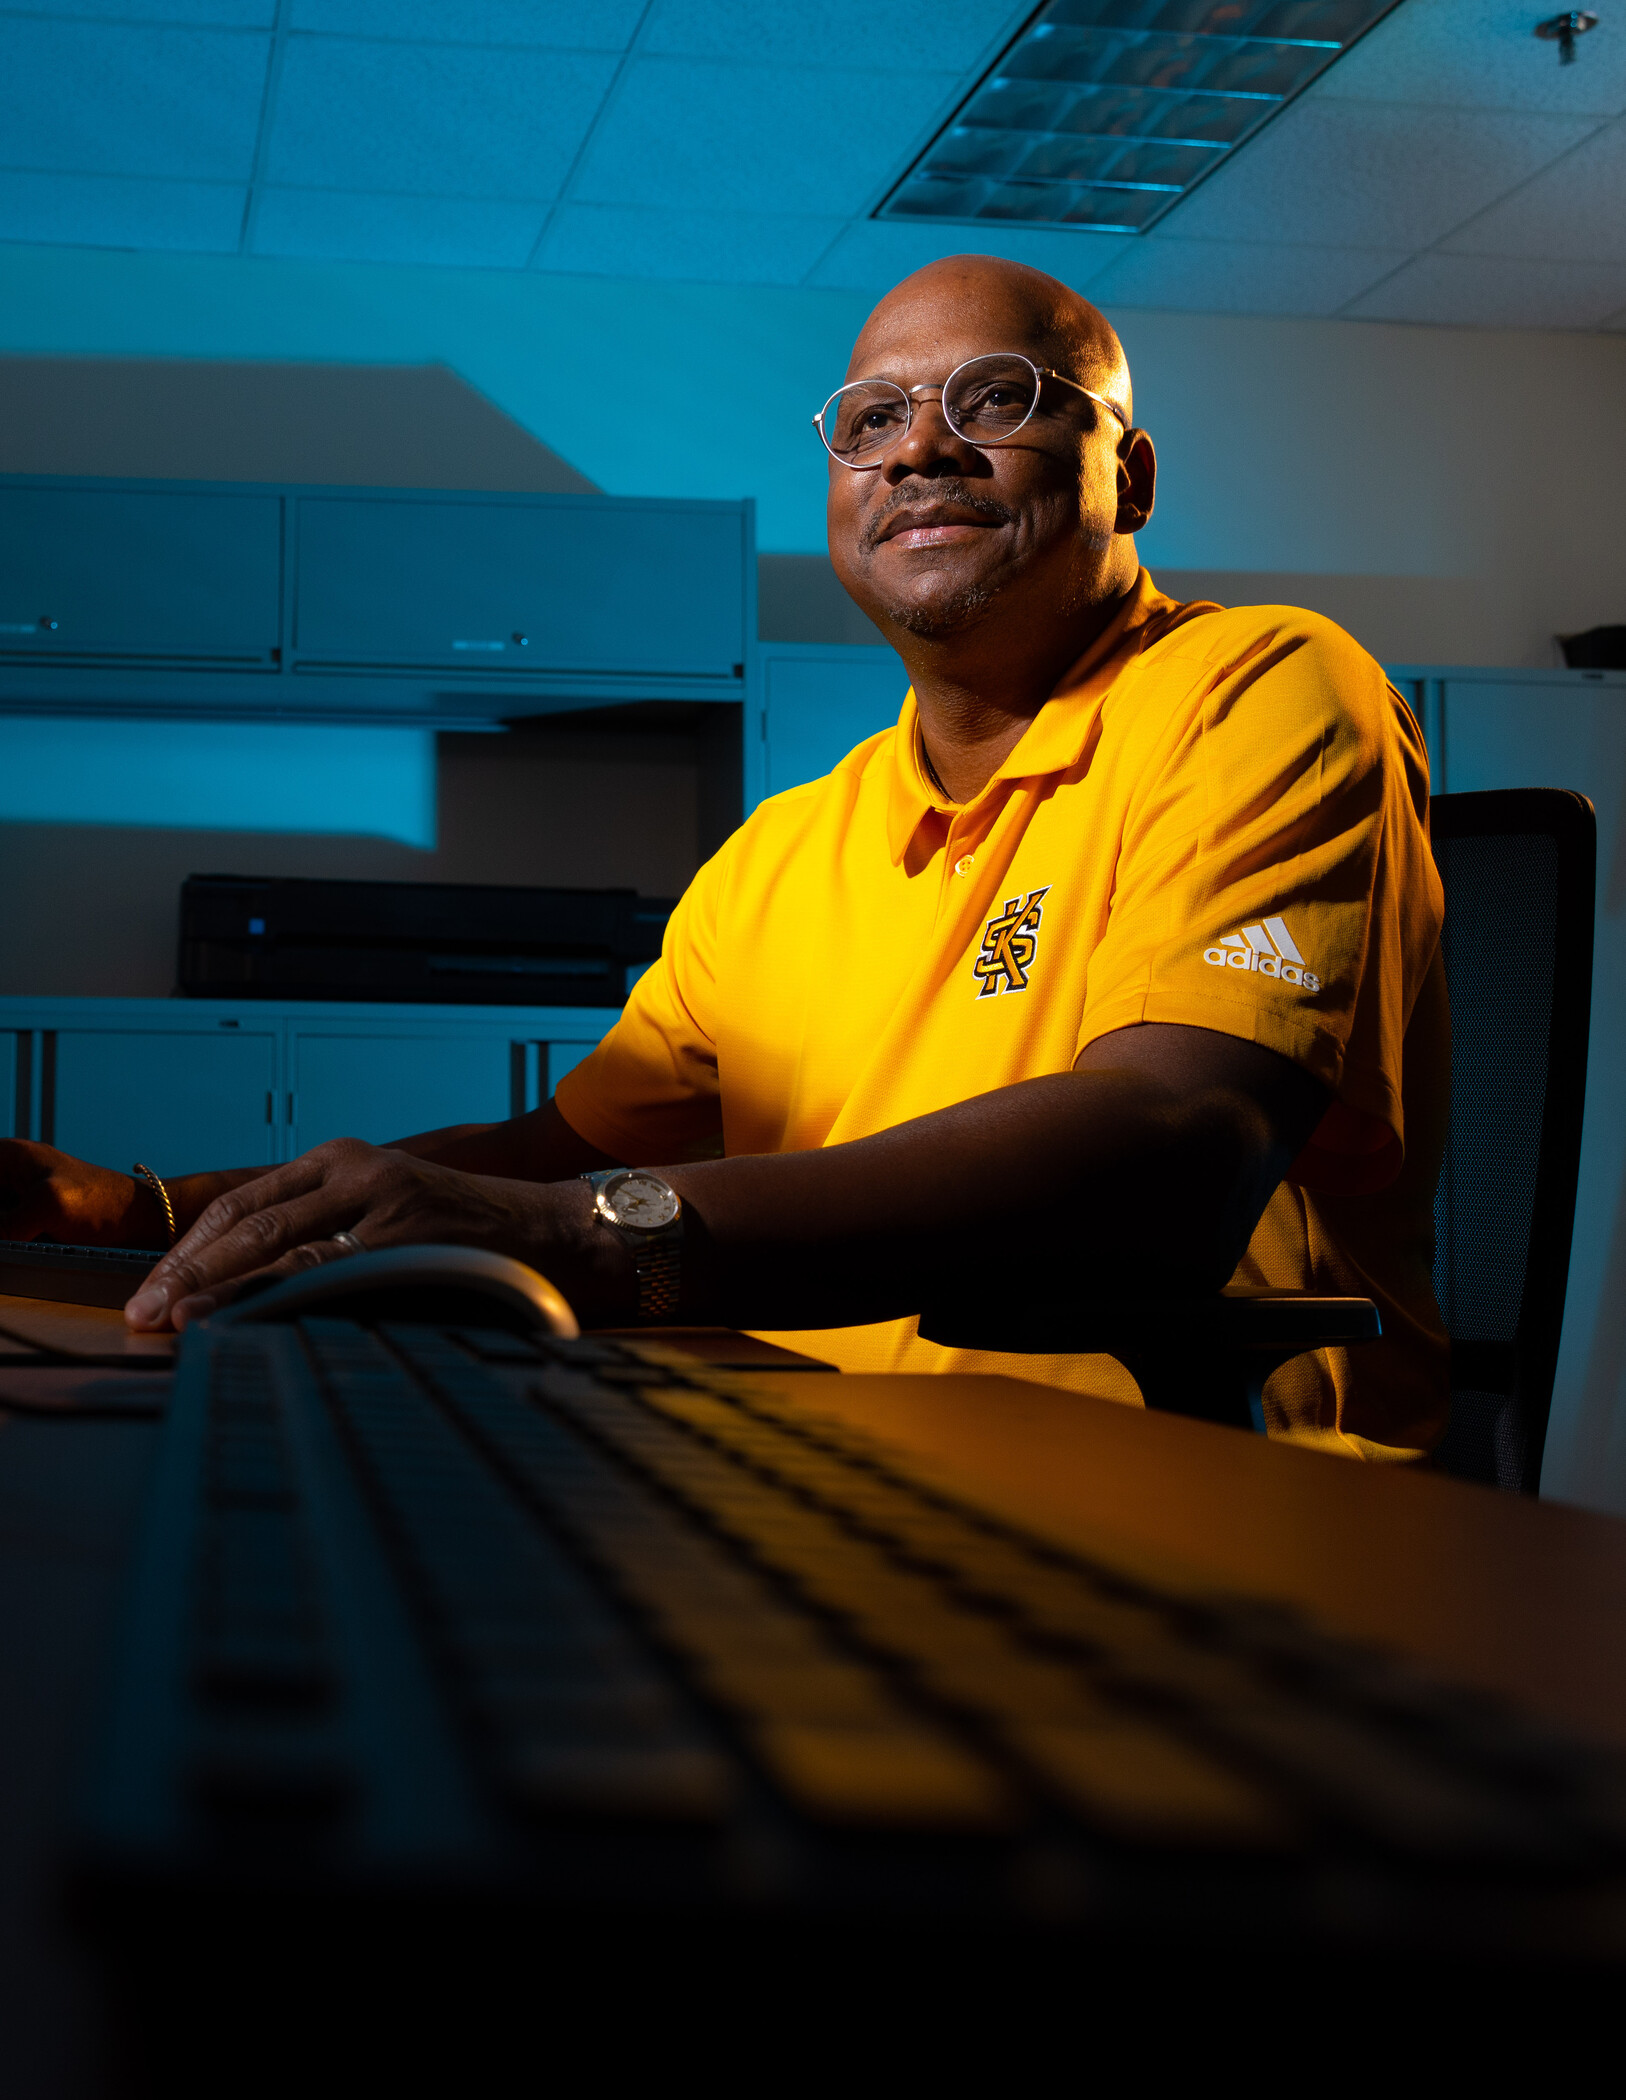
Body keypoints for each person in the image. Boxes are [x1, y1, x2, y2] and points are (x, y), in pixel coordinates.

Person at [0, 256, 1447, 1460]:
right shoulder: (787, 847)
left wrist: (594, 1235)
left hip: (1168, 1484)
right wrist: (148, 1212)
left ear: (1123, 478)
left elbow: (1169, 1149)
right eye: (870, 419)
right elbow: (553, 1159)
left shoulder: (1259, 688)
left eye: (993, 400)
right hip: (795, 1443)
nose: (919, 447)